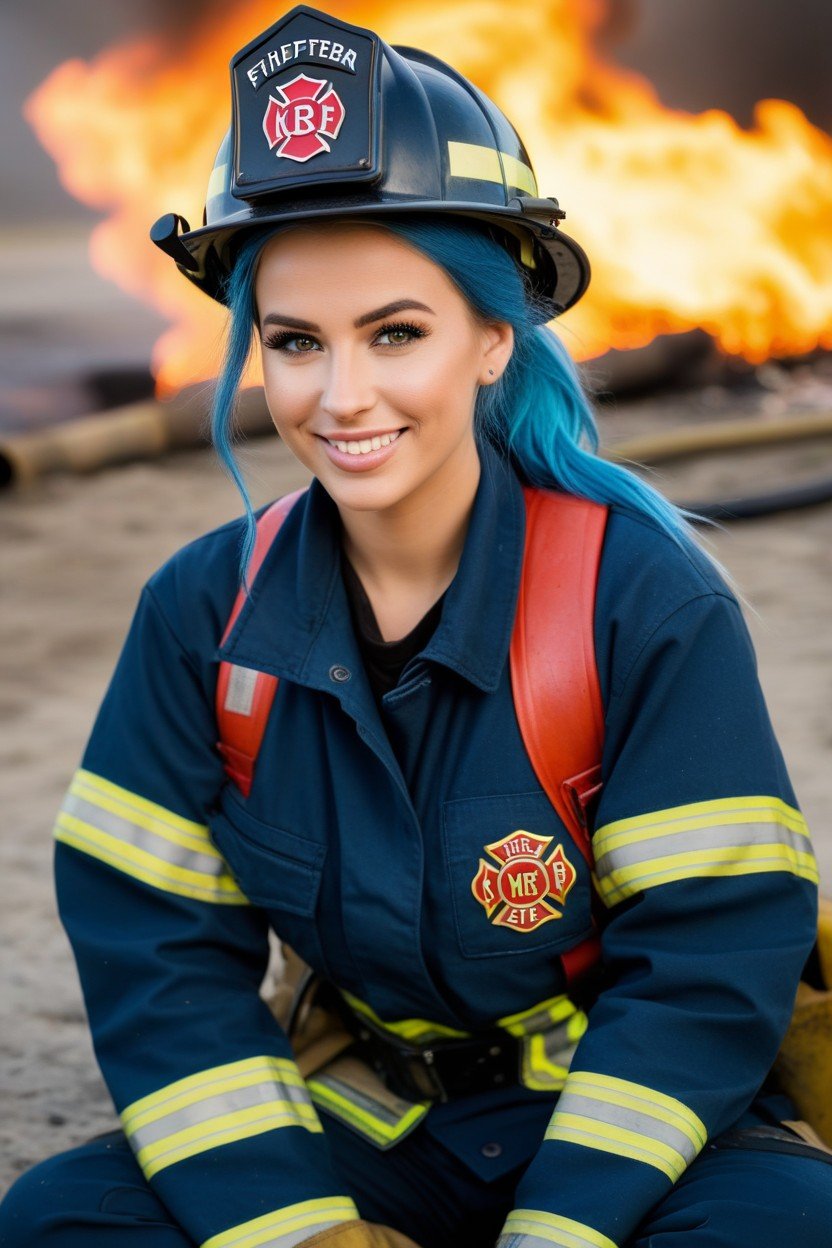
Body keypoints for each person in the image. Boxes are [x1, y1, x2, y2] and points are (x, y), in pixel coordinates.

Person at [1, 6, 830, 1247]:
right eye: (294, 342)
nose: (342, 398)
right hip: (367, 1119)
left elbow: (706, 971)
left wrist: (559, 1230)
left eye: (396, 333)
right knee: (59, 1220)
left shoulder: (642, 597)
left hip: (621, 1125)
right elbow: (157, 957)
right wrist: (303, 1231)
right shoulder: (202, 612)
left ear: (495, 338)